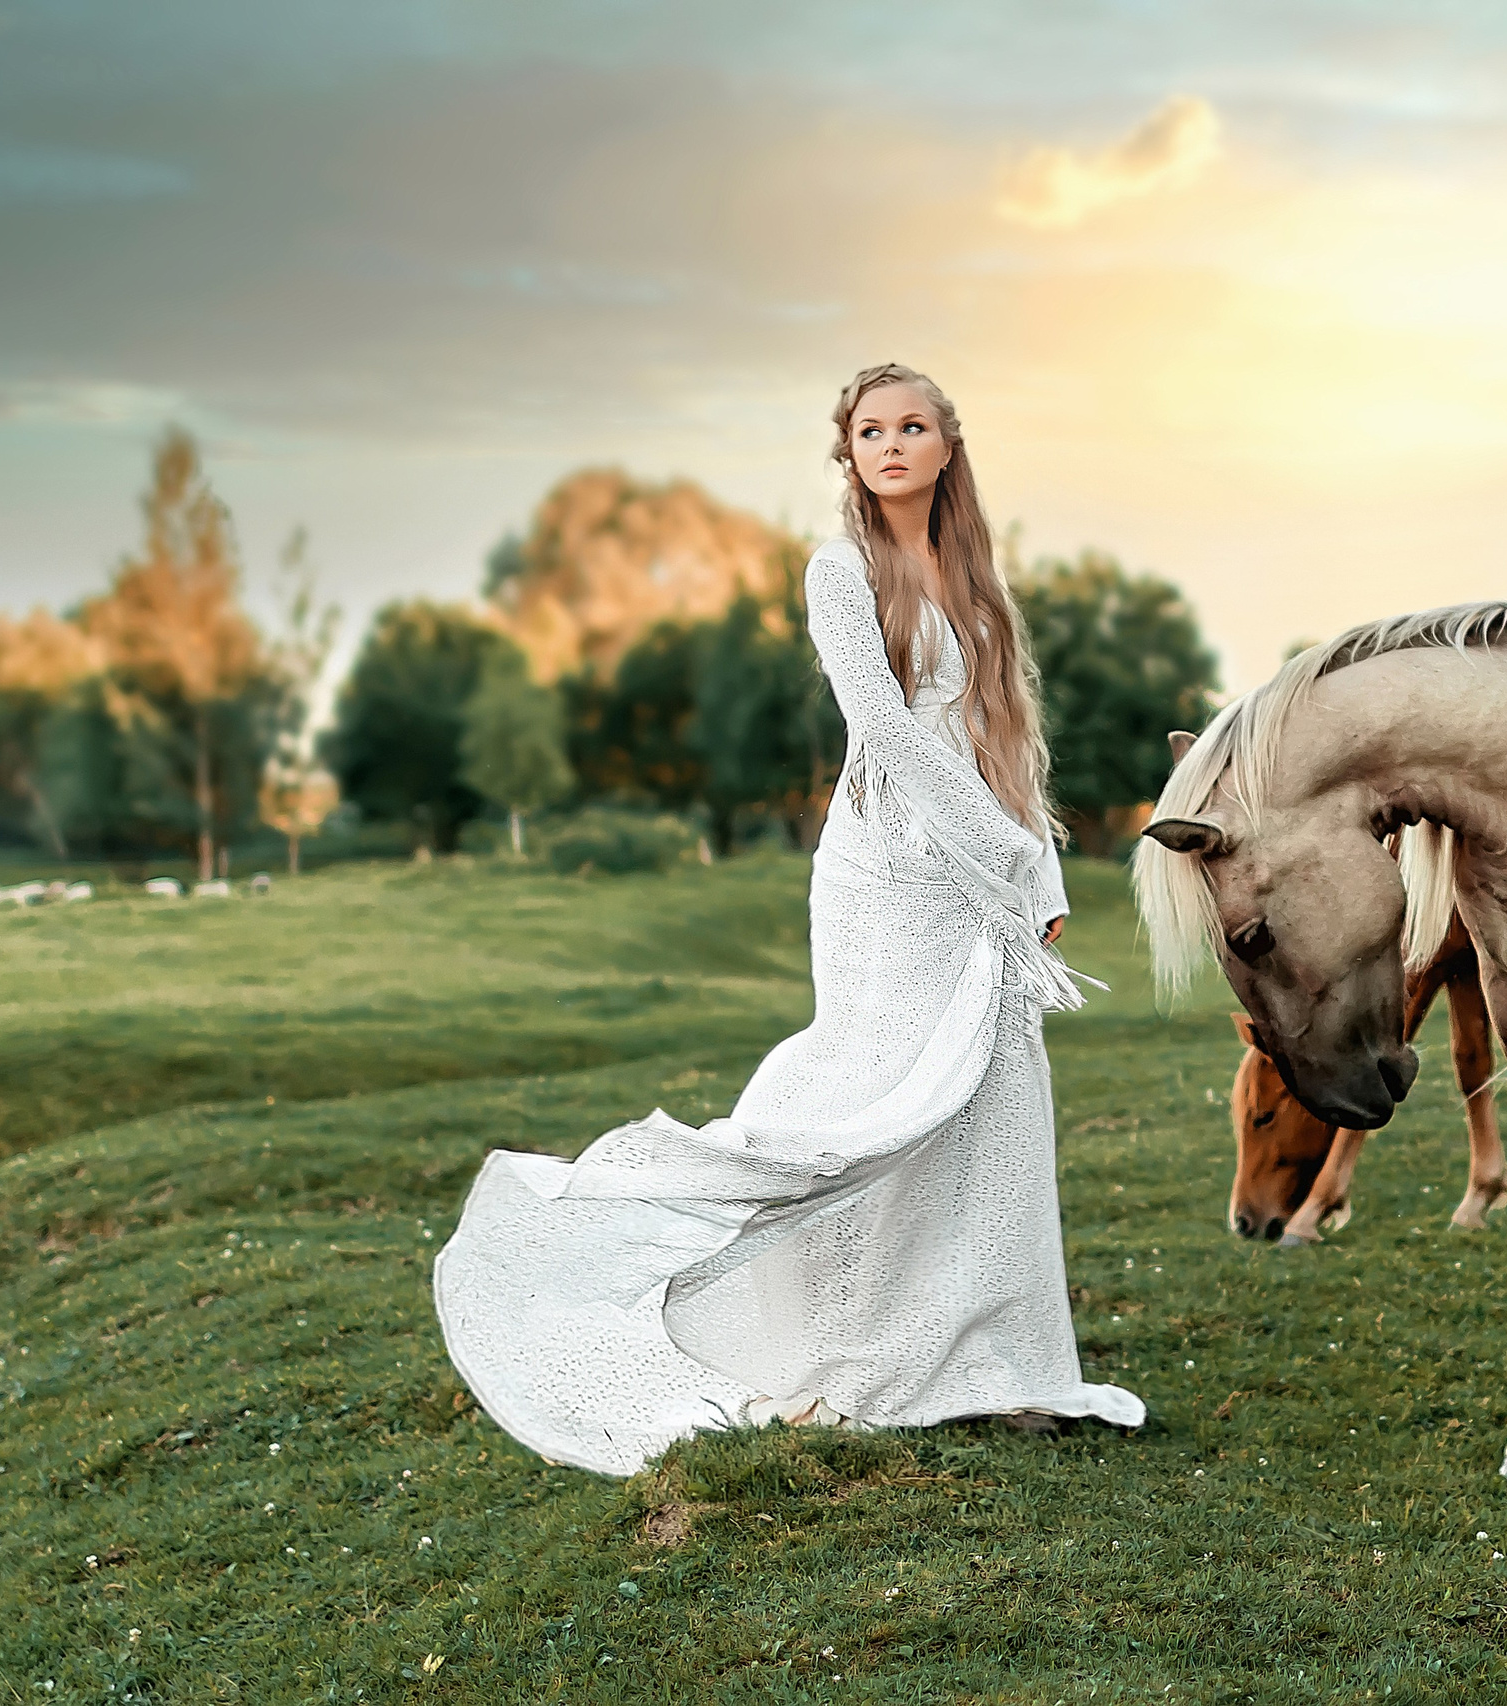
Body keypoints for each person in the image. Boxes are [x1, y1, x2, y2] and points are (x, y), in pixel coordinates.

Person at [435, 364, 1145, 1475]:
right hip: (887, 875)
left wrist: (1037, 883)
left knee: (995, 1101)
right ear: (850, 453)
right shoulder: (839, 571)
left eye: (913, 427)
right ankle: (820, 1343)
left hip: (982, 876)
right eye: (872, 430)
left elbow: (1006, 741)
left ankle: (1002, 1366)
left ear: (947, 446)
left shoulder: (973, 582)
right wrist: (1000, 852)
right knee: (873, 1091)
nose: (893, 445)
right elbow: (885, 728)